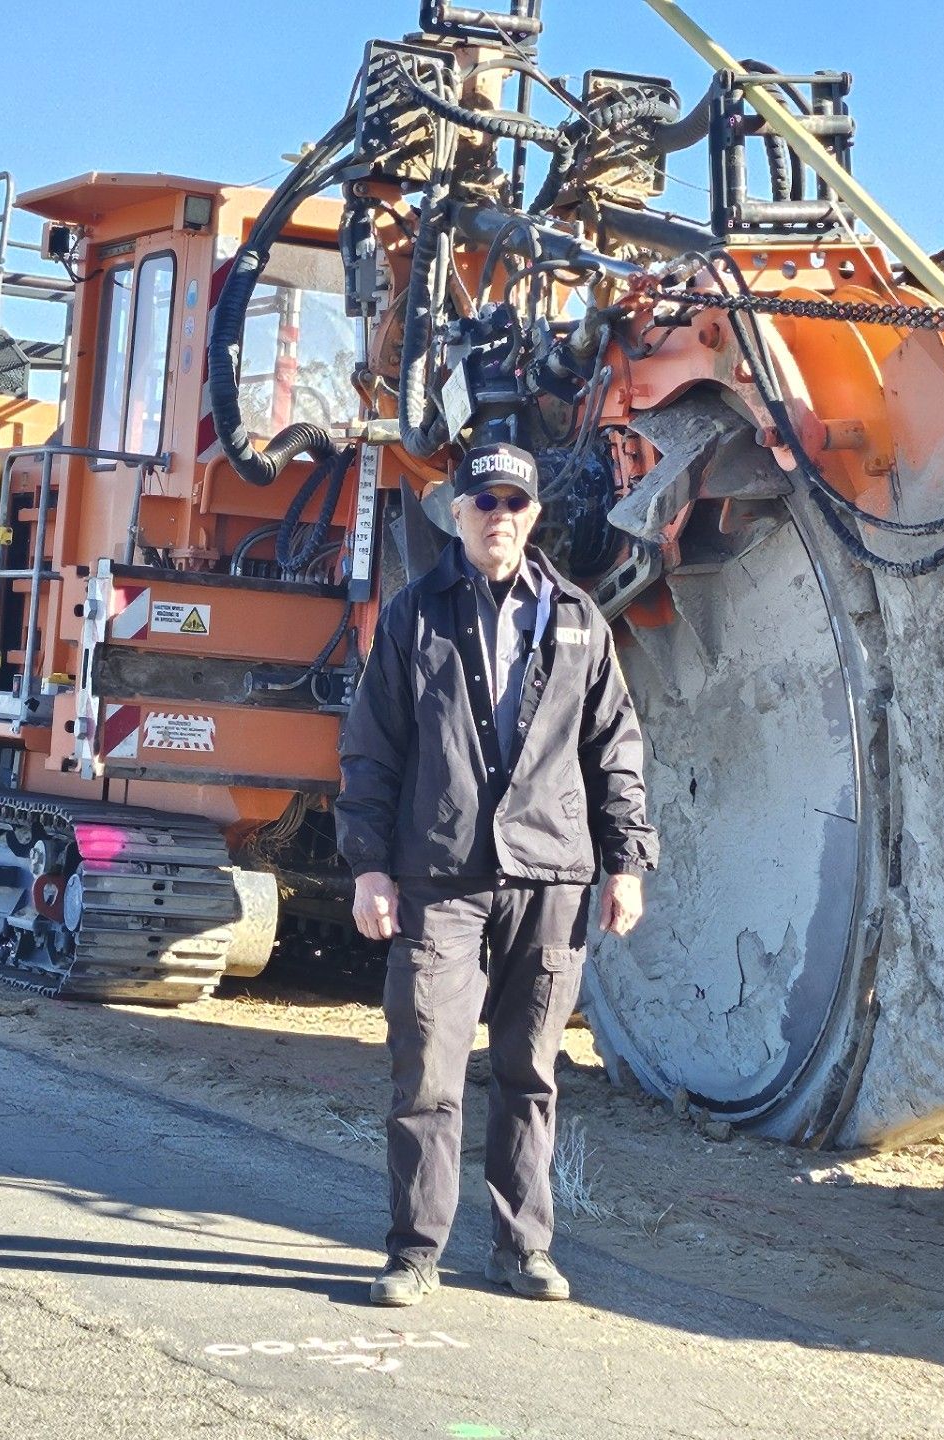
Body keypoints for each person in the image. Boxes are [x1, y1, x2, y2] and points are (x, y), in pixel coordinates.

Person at [335, 441, 657, 1307]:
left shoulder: (580, 618)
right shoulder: (412, 617)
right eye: (485, 502)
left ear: (535, 515)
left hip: (551, 878)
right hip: (440, 877)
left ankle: (522, 1252)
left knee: (531, 1074)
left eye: (515, 502)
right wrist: (370, 867)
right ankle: (414, 1254)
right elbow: (371, 753)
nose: (499, 517)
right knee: (428, 1074)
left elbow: (614, 748)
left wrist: (627, 861)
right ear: (458, 511)